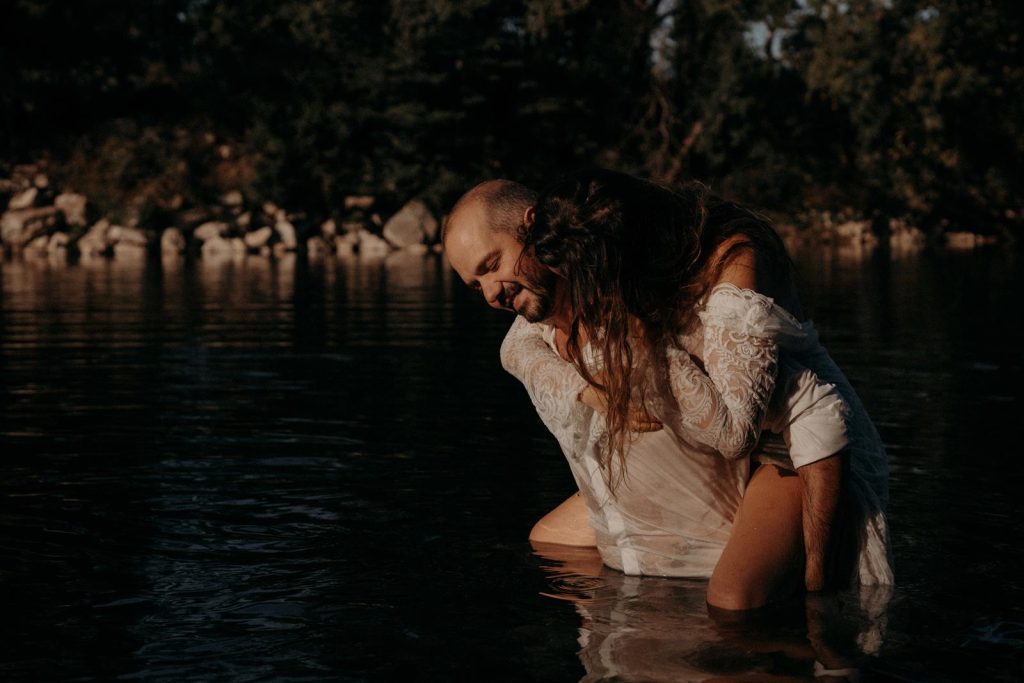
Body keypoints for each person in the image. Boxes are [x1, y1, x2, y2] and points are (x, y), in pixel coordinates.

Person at [444, 172, 892, 608]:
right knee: (550, 542)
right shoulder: (568, 297)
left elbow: (782, 420)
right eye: (474, 284)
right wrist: (590, 391)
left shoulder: (716, 282)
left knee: (734, 603)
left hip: (790, 454)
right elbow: (516, 349)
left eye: (491, 266)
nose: (488, 297)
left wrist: (818, 586)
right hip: (720, 451)